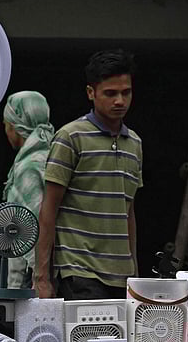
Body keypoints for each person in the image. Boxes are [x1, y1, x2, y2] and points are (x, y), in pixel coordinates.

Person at [36, 50, 142, 299]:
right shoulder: (70, 137)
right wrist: (41, 277)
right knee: (88, 339)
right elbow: (49, 207)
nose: (120, 101)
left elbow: (128, 210)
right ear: (91, 93)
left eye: (125, 92)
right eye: (110, 93)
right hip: (79, 271)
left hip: (122, 275)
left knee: (120, 339)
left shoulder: (134, 143)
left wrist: (134, 272)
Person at [1, 91, 54, 289]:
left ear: (15, 126)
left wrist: (27, 282)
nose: (6, 131)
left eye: (6, 124)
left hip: (33, 275)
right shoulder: (51, 155)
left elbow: (25, 232)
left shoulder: (29, 167)